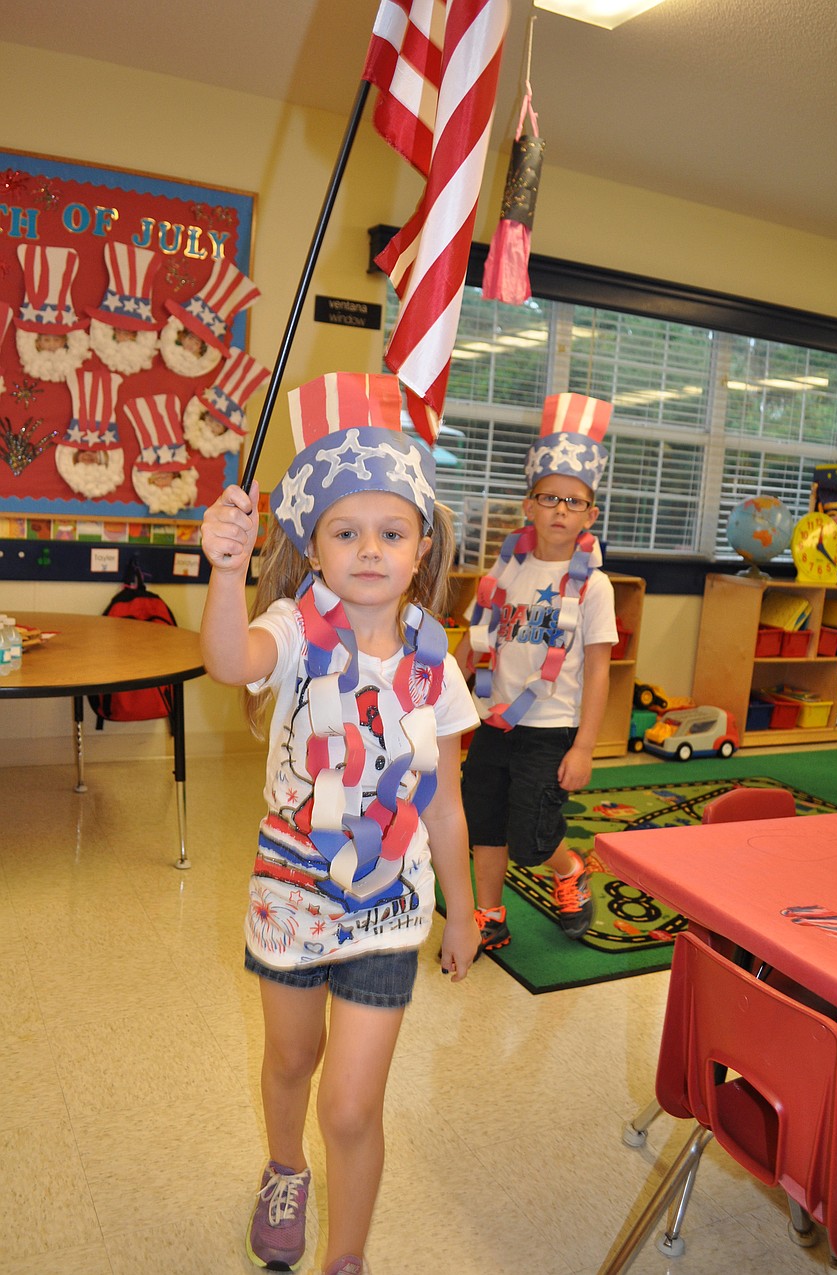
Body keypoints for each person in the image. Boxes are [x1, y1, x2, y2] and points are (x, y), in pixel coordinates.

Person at [199, 372, 480, 1275]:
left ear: (421, 544)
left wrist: (465, 910)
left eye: (391, 532)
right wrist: (227, 570)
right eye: (346, 532)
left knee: (353, 1105)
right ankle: (286, 1169)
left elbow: (442, 801)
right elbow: (228, 657)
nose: (369, 549)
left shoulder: (437, 665)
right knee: (292, 1058)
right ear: (313, 546)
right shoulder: (289, 626)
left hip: (388, 908)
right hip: (291, 893)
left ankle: (346, 1258)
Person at [457, 392, 619, 953]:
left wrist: (585, 748)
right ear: (528, 506)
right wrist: (449, 695)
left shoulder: (595, 586)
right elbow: (474, 641)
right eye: (548, 498)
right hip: (495, 724)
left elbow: (598, 671)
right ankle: (489, 914)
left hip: (551, 730)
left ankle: (569, 866)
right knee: (485, 825)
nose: (559, 510)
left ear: (590, 516)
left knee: (531, 837)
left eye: (573, 502)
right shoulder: (505, 572)